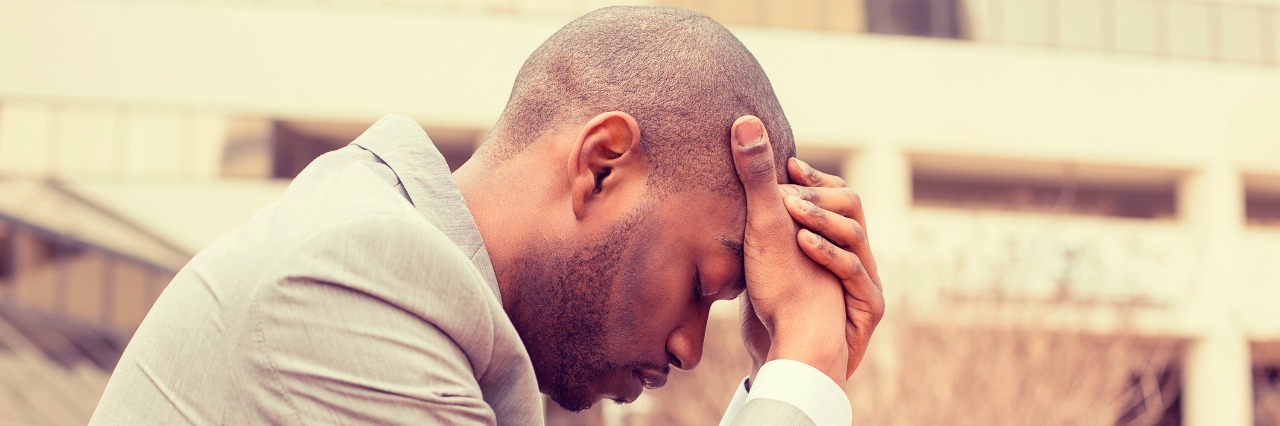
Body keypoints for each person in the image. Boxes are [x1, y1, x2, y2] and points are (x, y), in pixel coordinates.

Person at [91, 6, 884, 426]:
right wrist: (804, 373)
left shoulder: (455, 330)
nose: (689, 348)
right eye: (700, 285)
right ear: (602, 166)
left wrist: (786, 374)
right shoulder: (355, 284)